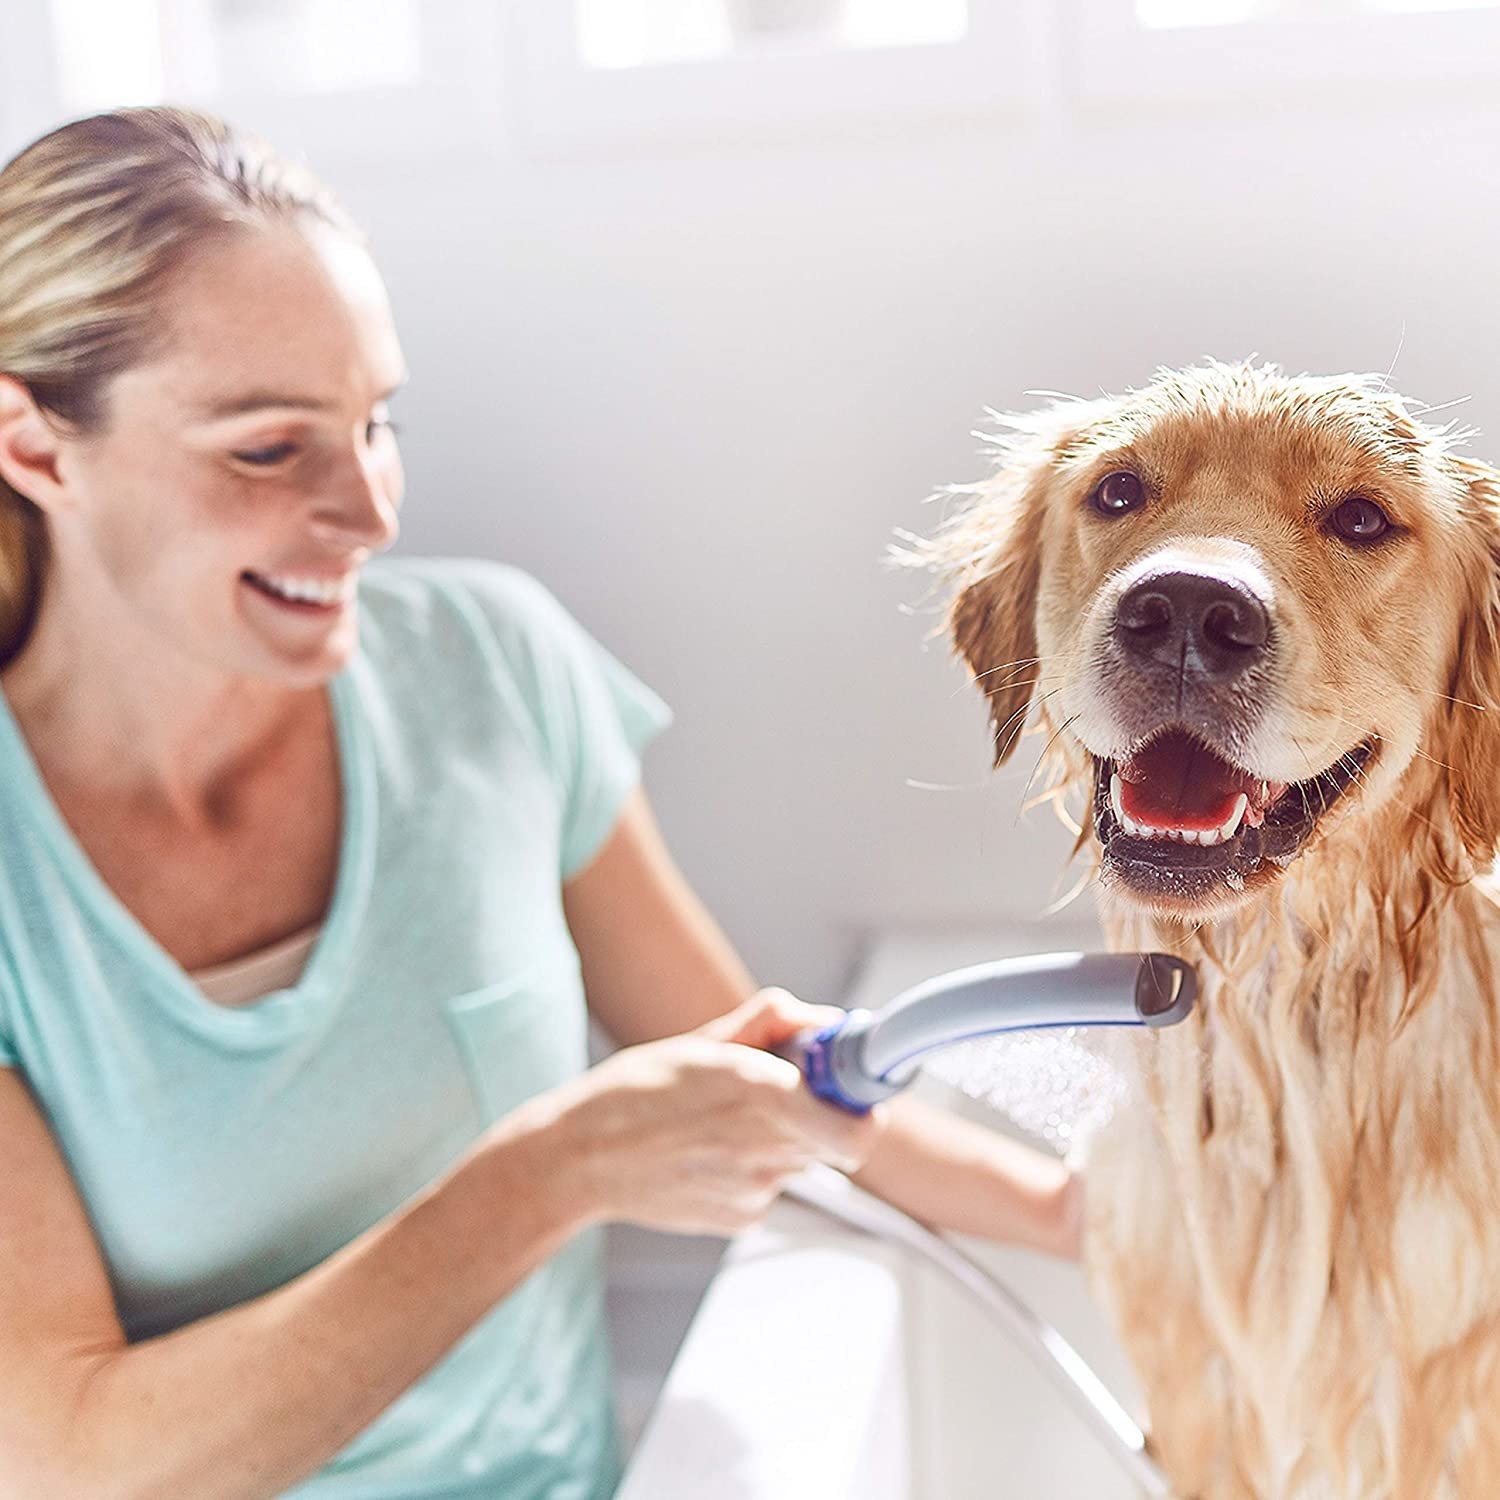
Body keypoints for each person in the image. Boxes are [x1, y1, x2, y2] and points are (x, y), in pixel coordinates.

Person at [0, 107, 1080, 1500]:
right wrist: (547, 1177)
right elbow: (68, 1459)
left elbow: (746, 1066)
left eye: (376, 423)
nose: (370, 510)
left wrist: (1094, 1221)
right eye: (269, 451)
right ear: (31, 444)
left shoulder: (493, 673)